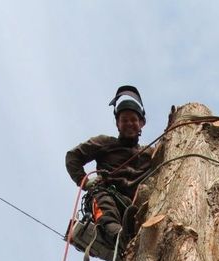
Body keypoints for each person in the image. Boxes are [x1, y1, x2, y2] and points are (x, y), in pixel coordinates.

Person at [65, 85, 157, 249]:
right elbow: (73, 156)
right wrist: (83, 181)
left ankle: (131, 240)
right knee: (106, 212)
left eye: (133, 120)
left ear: (142, 123)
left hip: (136, 207)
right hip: (107, 195)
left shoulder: (150, 154)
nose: (129, 123)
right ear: (117, 124)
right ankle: (120, 240)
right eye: (124, 120)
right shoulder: (104, 143)